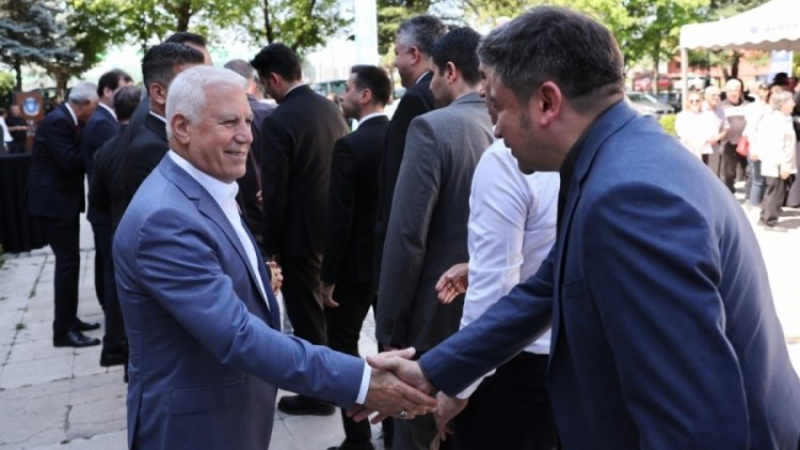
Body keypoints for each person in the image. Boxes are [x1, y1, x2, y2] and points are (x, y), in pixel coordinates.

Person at [365, 7, 800, 450]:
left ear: (547, 102)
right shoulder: (617, 158)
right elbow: (543, 291)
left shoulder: (628, 200)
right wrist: (433, 371)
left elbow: (692, 421)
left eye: (499, 107)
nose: (495, 129)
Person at [113, 66, 436, 450]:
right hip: (195, 430)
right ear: (182, 127)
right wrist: (362, 381)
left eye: (248, 121)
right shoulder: (165, 218)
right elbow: (237, 336)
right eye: (229, 122)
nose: (247, 136)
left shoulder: (206, 185)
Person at [432, 62, 560, 450]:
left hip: (513, 369)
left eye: (489, 80)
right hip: (568, 366)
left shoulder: (505, 159)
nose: (482, 91)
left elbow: (493, 291)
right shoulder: (585, 154)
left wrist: (457, 387)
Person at [376, 27, 493, 450]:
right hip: (500, 324)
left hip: (435, 322)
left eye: (434, 75)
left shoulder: (432, 127)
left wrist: (390, 325)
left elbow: (407, 236)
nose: (430, 86)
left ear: (450, 71)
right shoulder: (509, 125)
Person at [251, 43, 350, 416]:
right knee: (328, 314)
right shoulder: (330, 108)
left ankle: (319, 395)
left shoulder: (279, 120)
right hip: (335, 228)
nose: (266, 90)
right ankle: (333, 384)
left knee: (307, 317)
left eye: (265, 83)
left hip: (300, 236)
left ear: (274, 78)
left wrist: (271, 245)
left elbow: (275, 191)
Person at [318, 65, 392, 450]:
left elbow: (340, 216)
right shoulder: (403, 136)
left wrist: (328, 275)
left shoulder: (350, 146)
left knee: (343, 348)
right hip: (393, 262)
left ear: (365, 95)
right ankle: (393, 432)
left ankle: (359, 440)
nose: (343, 95)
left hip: (355, 267)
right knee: (391, 346)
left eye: (347, 88)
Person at [374, 15, 447, 289]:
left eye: (397, 53)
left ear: (414, 54)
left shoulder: (416, 99)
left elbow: (400, 183)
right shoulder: (445, 93)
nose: (395, 63)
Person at [27, 81, 101, 348]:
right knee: (67, 265)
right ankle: (63, 331)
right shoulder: (58, 121)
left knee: (70, 263)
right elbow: (69, 161)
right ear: (84, 104)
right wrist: (96, 150)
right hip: (53, 203)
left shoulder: (65, 119)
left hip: (61, 203)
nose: (95, 113)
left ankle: (69, 319)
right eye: (94, 107)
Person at [89, 85, 142, 371]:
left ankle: (115, 345)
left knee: (116, 287)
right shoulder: (148, 144)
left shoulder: (105, 151)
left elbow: (96, 198)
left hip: (115, 226)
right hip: (142, 228)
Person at [121, 43, 205, 203]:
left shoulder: (176, 133)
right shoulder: (150, 149)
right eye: (191, 85)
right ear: (159, 93)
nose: (202, 92)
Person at [83, 69, 134, 316]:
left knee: (106, 265)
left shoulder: (104, 119)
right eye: (124, 88)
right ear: (107, 91)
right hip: (106, 210)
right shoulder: (103, 123)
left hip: (104, 208)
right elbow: (112, 169)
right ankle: (112, 320)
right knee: (111, 270)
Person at [223, 59, 276, 243]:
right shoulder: (274, 114)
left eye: (247, 121)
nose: (246, 136)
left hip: (240, 209)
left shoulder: (217, 118)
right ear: (253, 84)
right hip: (270, 209)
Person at [756, 90, 796, 228]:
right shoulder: (777, 120)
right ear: (782, 104)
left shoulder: (784, 118)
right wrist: (783, 166)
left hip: (777, 163)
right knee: (775, 192)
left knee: (773, 191)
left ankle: (764, 217)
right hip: (776, 164)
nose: (794, 104)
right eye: (791, 101)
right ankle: (769, 221)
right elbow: (777, 145)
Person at [744, 82, 772, 206]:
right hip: (755, 147)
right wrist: (753, 148)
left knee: (765, 179)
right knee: (757, 179)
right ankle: (754, 205)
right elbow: (750, 130)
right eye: (762, 89)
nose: (764, 92)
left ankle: (763, 204)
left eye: (766, 90)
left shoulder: (770, 107)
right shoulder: (752, 108)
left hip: (768, 147)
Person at [720, 78, 749, 193]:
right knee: (728, 170)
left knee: (748, 169)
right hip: (727, 143)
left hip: (745, 143)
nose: (733, 93)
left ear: (740, 91)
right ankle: (729, 192)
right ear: (726, 92)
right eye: (730, 90)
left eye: (735, 90)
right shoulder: (720, 106)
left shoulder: (748, 106)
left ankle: (748, 194)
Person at [675, 90, 719, 160]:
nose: (694, 103)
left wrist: (700, 147)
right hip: (687, 151)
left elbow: (712, 132)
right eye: (691, 101)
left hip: (704, 150)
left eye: (697, 100)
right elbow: (682, 134)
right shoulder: (681, 116)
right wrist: (696, 149)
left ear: (701, 101)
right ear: (687, 102)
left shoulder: (708, 115)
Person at [702, 85, 729, 172]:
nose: (717, 97)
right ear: (706, 96)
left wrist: (716, 139)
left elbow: (725, 128)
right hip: (699, 145)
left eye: (718, 95)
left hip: (714, 146)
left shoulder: (720, 110)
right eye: (713, 95)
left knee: (712, 172)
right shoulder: (699, 108)